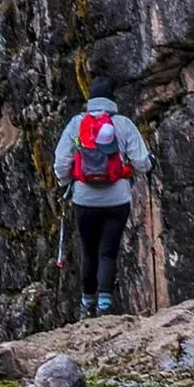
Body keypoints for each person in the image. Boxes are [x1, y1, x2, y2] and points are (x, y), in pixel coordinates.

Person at [53, 75, 153, 316]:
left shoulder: (77, 124)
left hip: (84, 200)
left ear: (91, 100)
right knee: (108, 251)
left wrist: (66, 182)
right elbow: (141, 162)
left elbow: (61, 161)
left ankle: (86, 303)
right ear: (112, 100)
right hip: (117, 200)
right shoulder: (124, 125)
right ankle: (104, 305)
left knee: (88, 251)